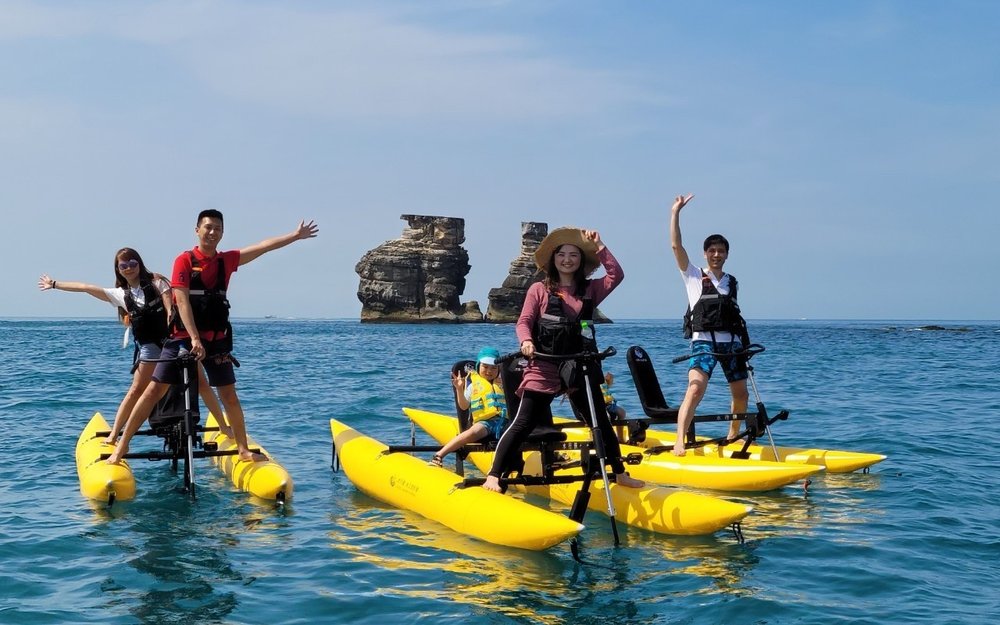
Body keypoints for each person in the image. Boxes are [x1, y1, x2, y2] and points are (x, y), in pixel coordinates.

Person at [105, 211, 319, 464]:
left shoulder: (226, 260)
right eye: (208, 227)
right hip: (183, 337)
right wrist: (194, 338)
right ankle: (121, 447)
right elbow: (182, 300)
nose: (212, 232)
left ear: (222, 232)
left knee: (229, 395)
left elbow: (263, 247)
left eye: (217, 228)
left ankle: (243, 449)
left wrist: (295, 236)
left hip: (217, 340)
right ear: (197, 230)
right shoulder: (184, 260)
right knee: (153, 391)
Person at [482, 227, 643, 492]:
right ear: (553, 259)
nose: (567, 260)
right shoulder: (538, 289)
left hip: (579, 365)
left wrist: (600, 245)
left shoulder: (590, 289)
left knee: (599, 420)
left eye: (573, 255)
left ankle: (619, 472)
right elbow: (524, 321)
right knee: (523, 421)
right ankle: (494, 474)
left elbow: (616, 275)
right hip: (544, 364)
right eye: (561, 255)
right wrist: (526, 341)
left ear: (581, 260)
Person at [39, 248, 229, 444]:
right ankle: (115, 434)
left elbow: (169, 307)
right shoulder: (121, 294)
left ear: (139, 264)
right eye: (123, 265)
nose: (128, 268)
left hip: (173, 342)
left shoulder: (158, 282)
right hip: (149, 347)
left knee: (202, 384)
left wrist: (173, 325)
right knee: (136, 390)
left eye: (132, 263)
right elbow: (85, 287)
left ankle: (223, 426)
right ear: (118, 269)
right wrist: (54, 284)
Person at [669, 194, 751, 456]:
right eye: (712, 251)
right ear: (705, 253)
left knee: (741, 394)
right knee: (695, 389)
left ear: (727, 254)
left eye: (721, 251)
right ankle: (680, 440)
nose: (716, 255)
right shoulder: (693, 275)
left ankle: (733, 435)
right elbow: (676, 246)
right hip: (703, 343)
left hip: (731, 344)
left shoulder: (731, 282)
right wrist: (676, 213)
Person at [429, 347, 509, 467]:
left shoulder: (504, 383)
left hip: (505, 422)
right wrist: (459, 389)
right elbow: (464, 406)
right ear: (478, 366)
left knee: (517, 432)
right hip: (485, 423)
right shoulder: (473, 386)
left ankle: (513, 463)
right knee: (472, 432)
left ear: (499, 369)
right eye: (485, 367)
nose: (489, 371)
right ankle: (439, 455)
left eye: (494, 368)